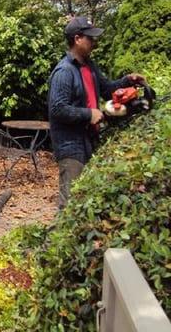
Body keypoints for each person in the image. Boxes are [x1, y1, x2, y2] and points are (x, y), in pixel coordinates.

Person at [48, 16, 145, 209]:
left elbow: (108, 88)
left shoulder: (89, 66)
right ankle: (56, 239)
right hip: (71, 145)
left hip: (89, 140)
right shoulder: (64, 71)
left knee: (86, 200)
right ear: (77, 39)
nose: (94, 42)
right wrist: (89, 114)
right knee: (70, 204)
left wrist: (127, 81)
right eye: (90, 38)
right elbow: (57, 109)